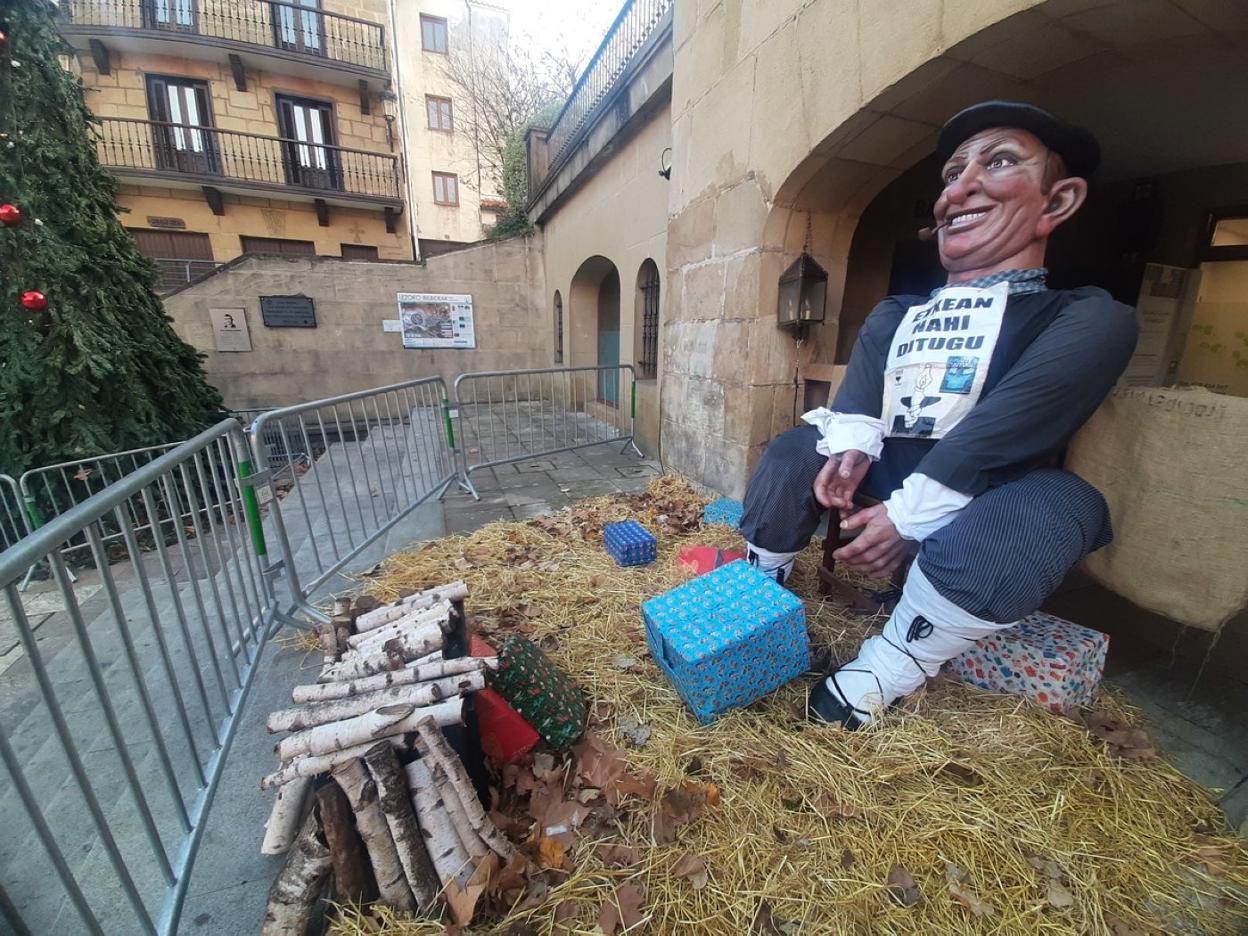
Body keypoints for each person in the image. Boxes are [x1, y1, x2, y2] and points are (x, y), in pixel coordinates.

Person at [738, 101, 1139, 728]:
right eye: (953, 174)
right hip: (888, 470)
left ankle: (895, 661)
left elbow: (1012, 420)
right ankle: (762, 585)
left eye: (999, 162)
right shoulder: (896, 312)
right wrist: (849, 452)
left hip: (988, 498)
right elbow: (860, 400)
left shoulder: (1087, 317)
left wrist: (908, 518)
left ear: (1057, 201)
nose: (960, 188)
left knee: (1057, 507)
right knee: (793, 451)